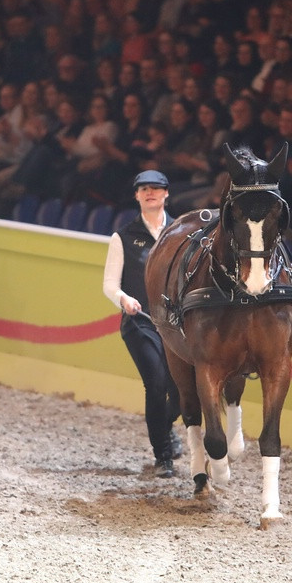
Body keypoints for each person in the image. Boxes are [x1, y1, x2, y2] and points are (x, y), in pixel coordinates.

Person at [101, 170, 182, 478]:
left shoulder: (180, 232)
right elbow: (110, 283)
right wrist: (123, 299)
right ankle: (163, 456)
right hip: (141, 321)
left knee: (179, 389)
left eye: (157, 188)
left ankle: (166, 426)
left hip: (175, 323)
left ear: (166, 194)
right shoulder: (122, 237)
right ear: (136, 195)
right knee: (157, 383)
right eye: (144, 189)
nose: (150, 193)